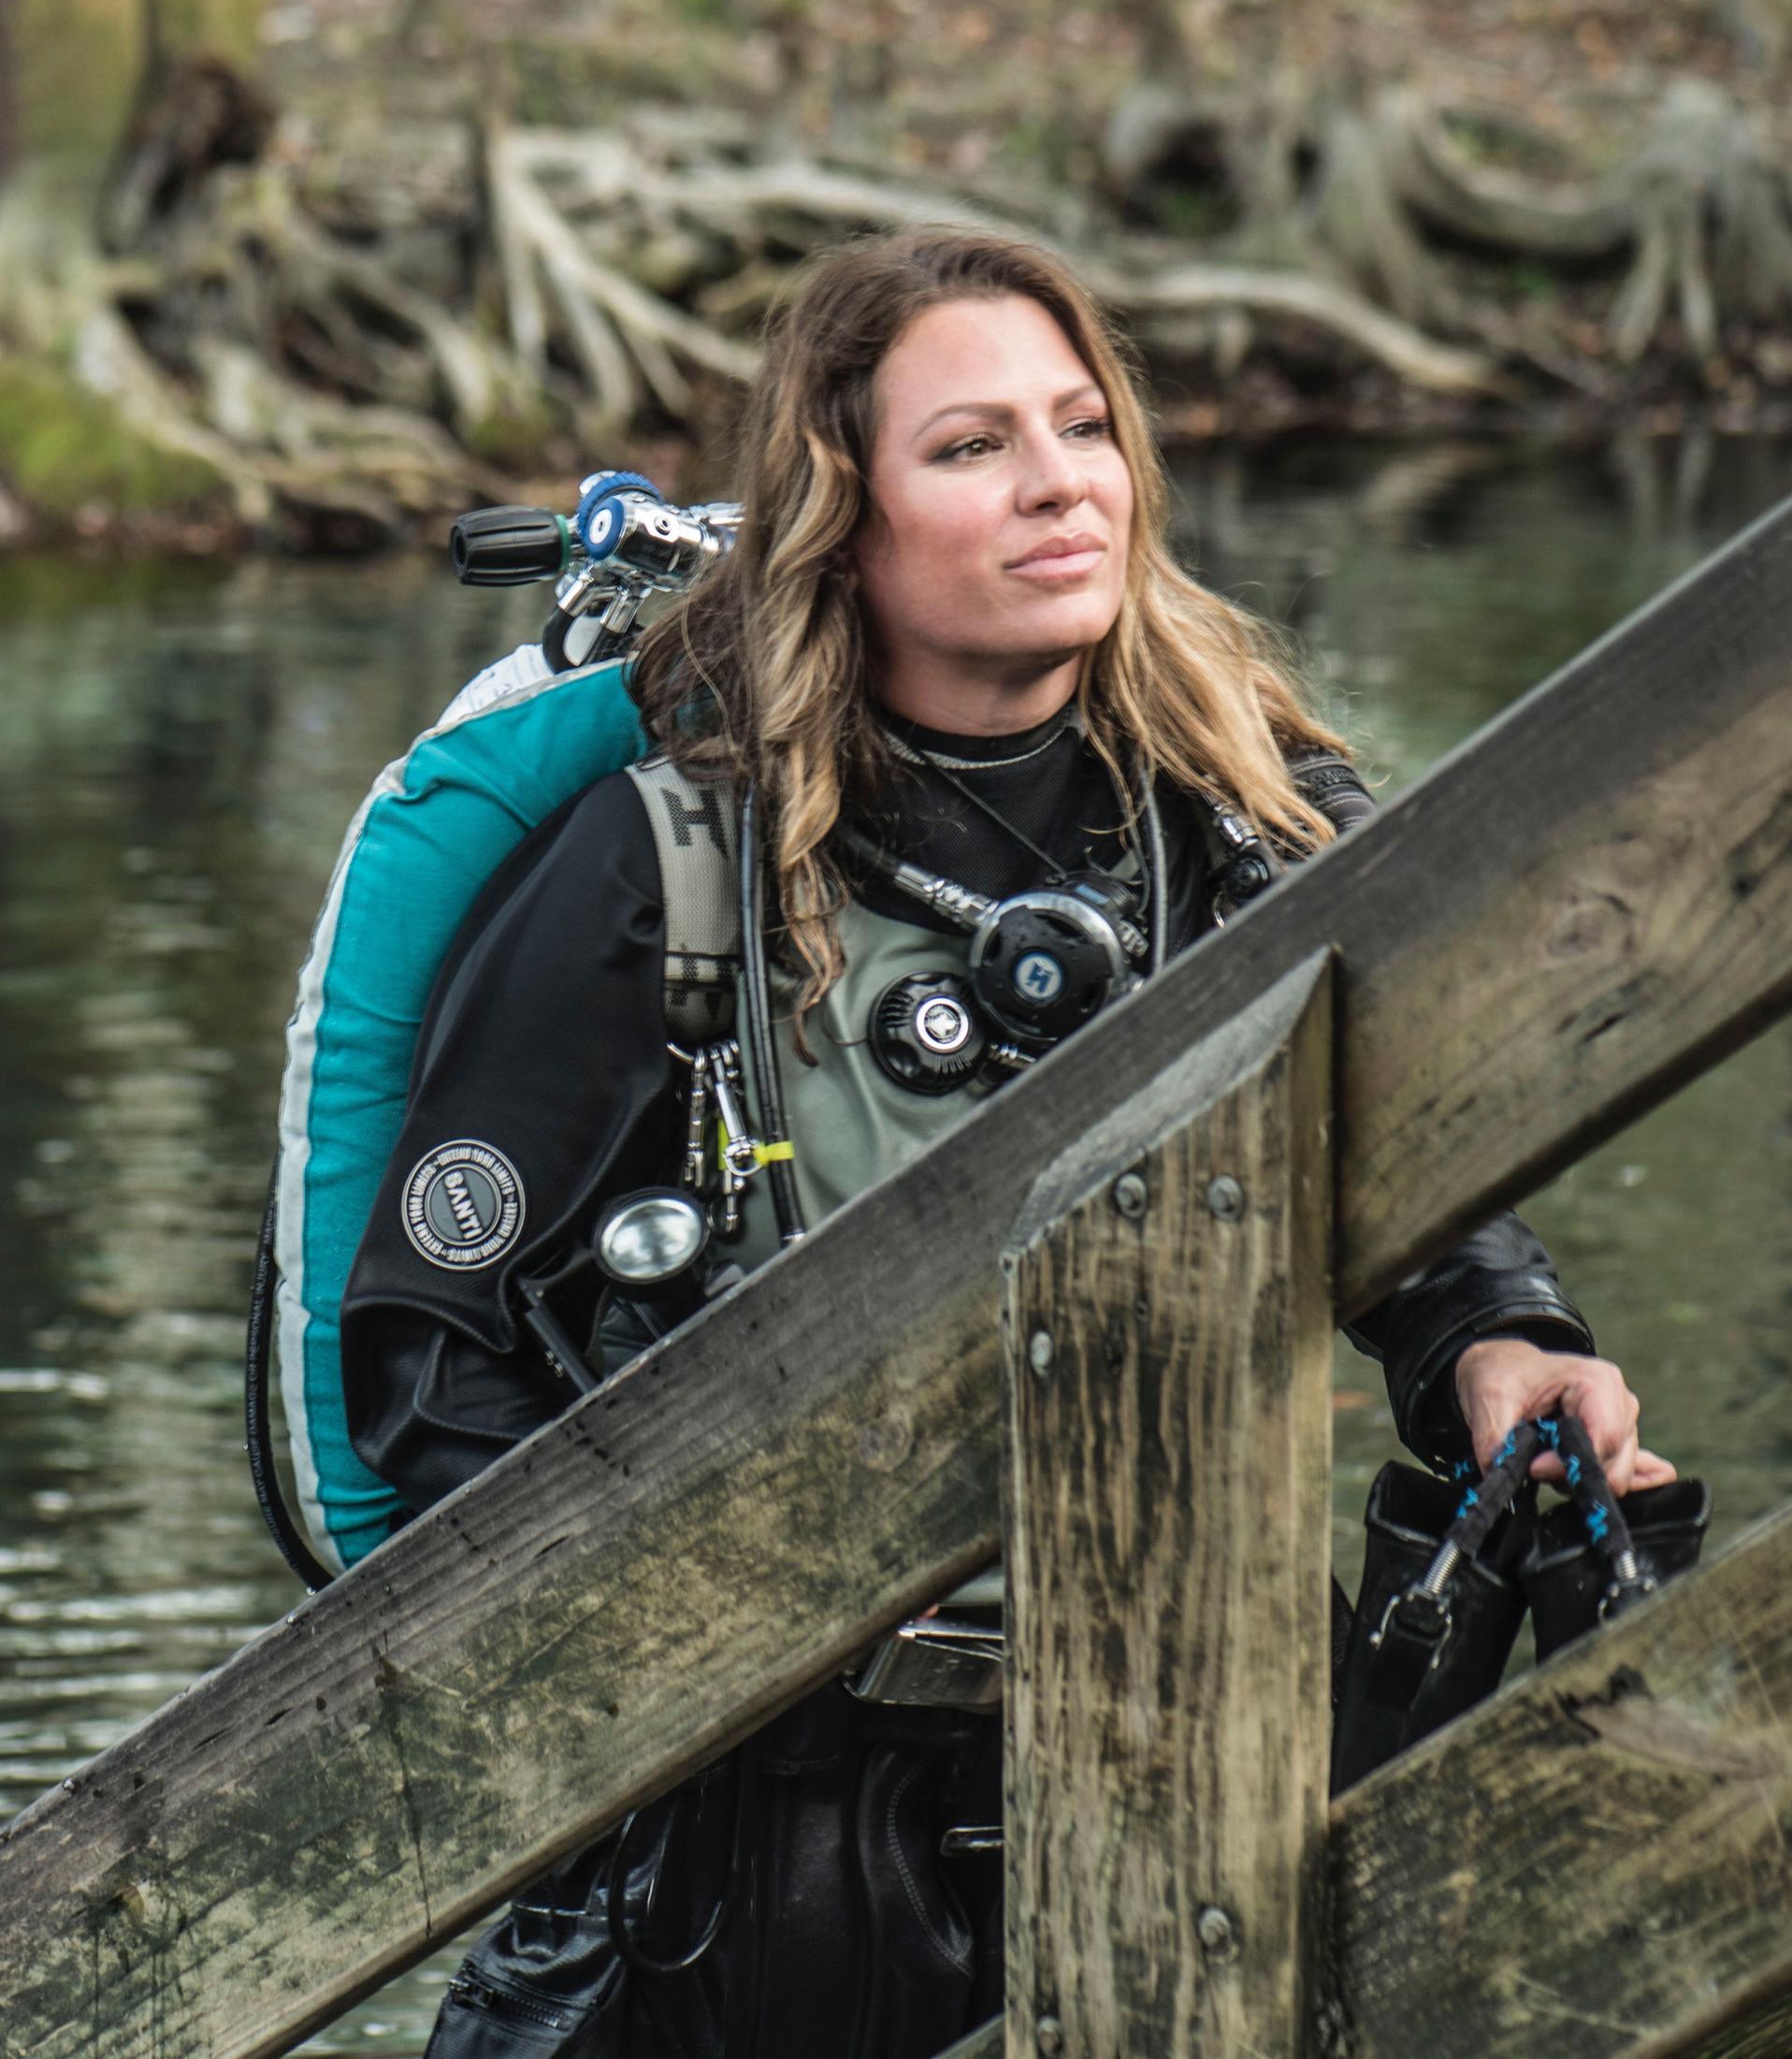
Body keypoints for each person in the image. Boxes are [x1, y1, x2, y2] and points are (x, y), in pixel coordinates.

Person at [339, 228, 1672, 2059]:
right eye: (973, 446)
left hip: (1203, 1783)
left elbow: (1417, 1184)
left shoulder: (1252, 827)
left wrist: (1507, 1339)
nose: (1060, 482)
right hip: (760, 1875)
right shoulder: (664, 872)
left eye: (1083, 425)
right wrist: (667, 1671)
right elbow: (426, 1359)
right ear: (843, 516)